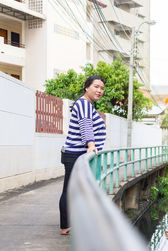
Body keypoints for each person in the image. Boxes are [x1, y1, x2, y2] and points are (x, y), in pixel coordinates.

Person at [59, 75, 106, 235]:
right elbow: (86, 126)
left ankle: (74, 222)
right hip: (75, 154)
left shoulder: (87, 104)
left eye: (102, 88)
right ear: (87, 87)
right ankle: (65, 226)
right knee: (69, 190)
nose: (99, 90)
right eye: (96, 86)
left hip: (77, 154)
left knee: (77, 190)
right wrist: (91, 145)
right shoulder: (84, 104)